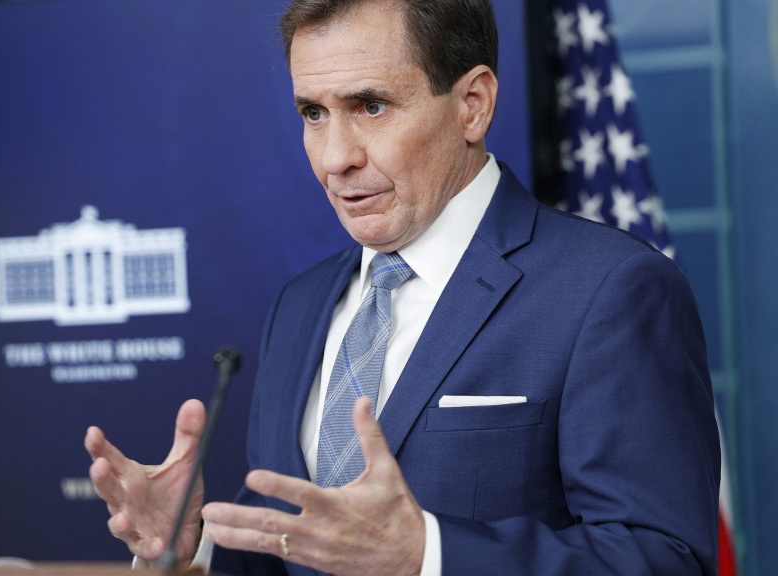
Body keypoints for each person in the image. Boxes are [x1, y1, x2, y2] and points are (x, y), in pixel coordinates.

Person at [84, 0, 721, 574]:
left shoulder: (611, 289)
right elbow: (297, 548)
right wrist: (191, 541)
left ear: (473, 104)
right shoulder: (300, 305)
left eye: (371, 106)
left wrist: (426, 555)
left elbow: (662, 559)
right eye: (313, 112)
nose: (336, 157)